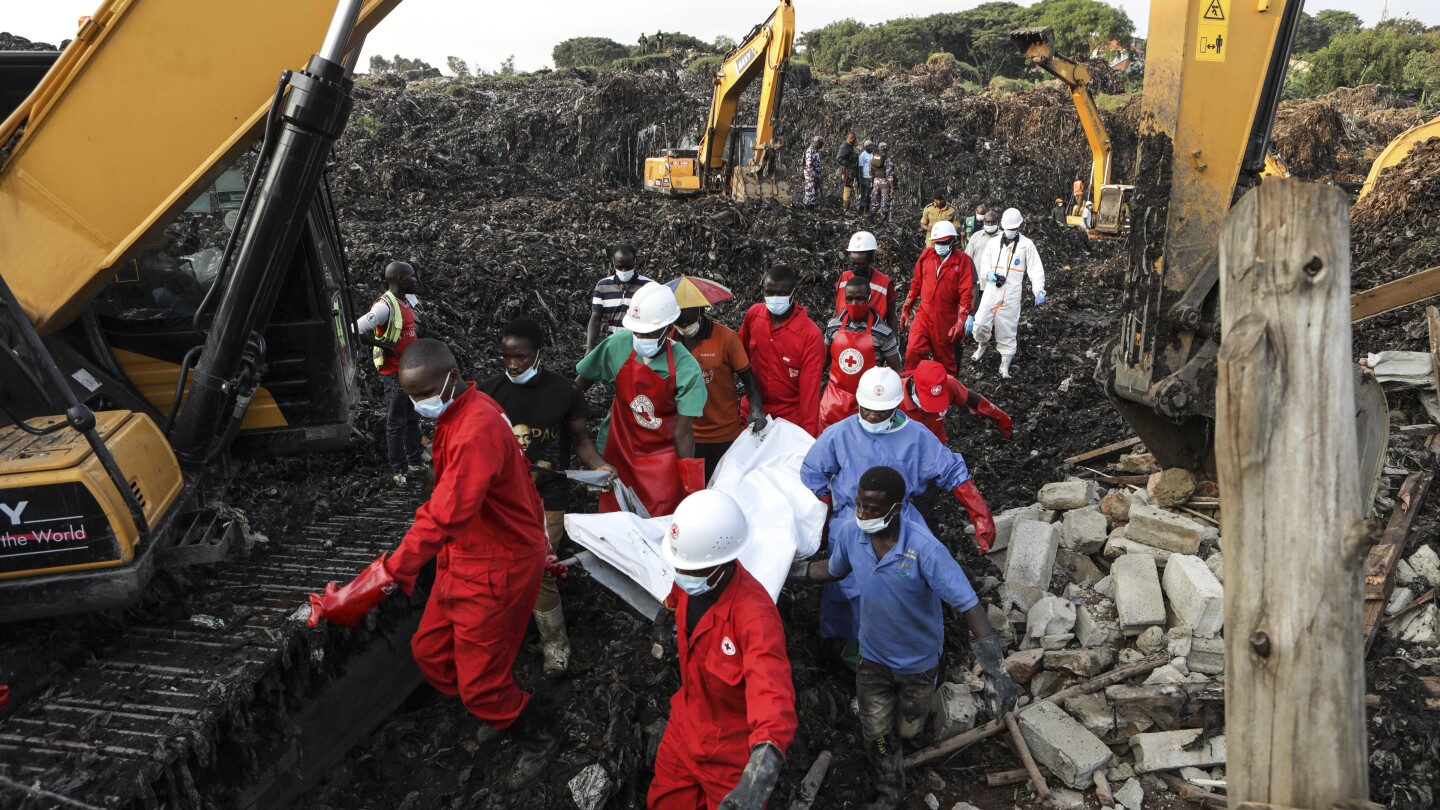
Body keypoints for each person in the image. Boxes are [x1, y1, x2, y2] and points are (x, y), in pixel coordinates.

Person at [307, 339, 557, 790]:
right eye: (411, 396)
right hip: (465, 555)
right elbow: (517, 483)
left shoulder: (476, 429)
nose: (418, 404)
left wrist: (380, 578)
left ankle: (535, 736)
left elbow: (443, 515)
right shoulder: (461, 411)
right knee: (430, 652)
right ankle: (494, 702)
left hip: (495, 564)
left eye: (423, 394)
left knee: (480, 682)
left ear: (452, 378)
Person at [793, 465, 1018, 810]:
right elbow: (833, 570)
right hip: (872, 661)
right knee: (879, 736)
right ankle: (889, 787)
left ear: (896, 509)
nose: (861, 514)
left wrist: (997, 671)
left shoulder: (924, 549)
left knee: (911, 727)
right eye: (859, 505)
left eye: (871, 509)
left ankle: (907, 736)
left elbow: (970, 607)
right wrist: (790, 571)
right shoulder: (854, 536)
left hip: (918, 665)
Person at [799, 367, 996, 658]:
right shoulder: (839, 435)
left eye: (881, 412)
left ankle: (912, 640)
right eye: (867, 410)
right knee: (848, 583)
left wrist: (980, 514)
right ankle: (853, 645)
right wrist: (828, 513)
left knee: (912, 578)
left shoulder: (916, 436)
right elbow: (814, 473)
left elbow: (950, 471)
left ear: (895, 406)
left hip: (901, 517)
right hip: (851, 518)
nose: (872, 418)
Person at [478, 319, 618, 680]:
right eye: (506, 357)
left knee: (540, 565)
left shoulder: (564, 392)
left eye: (520, 357)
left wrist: (599, 465)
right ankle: (503, 636)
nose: (512, 365)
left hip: (547, 496)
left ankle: (556, 644)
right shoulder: (488, 394)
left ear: (539, 354)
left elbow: (580, 440)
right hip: (503, 499)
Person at [649, 491, 796, 810]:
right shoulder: (694, 574)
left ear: (722, 564)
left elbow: (773, 698)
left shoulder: (755, 619)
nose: (681, 575)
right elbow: (678, 593)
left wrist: (756, 782)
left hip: (731, 755)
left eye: (688, 570)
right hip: (684, 729)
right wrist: (668, 612)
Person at [576, 283, 706, 517]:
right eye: (637, 332)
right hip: (619, 447)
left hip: (661, 459)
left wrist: (690, 484)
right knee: (615, 518)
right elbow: (579, 385)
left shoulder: (686, 368)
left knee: (659, 520)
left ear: (667, 328)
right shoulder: (617, 345)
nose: (641, 338)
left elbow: (683, 433)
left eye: (650, 333)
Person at [672, 302, 767, 478]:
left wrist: (756, 408)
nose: (684, 328)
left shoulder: (726, 337)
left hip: (725, 434)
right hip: (686, 435)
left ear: (700, 310)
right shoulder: (668, 339)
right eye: (679, 323)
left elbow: (748, 378)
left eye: (688, 322)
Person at [354, 260, 424, 486]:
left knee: (413, 419)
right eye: (412, 277)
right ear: (401, 279)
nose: (416, 280)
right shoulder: (385, 306)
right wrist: (387, 348)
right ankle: (398, 470)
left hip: (411, 372)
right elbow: (357, 329)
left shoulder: (406, 301)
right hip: (395, 375)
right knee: (396, 422)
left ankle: (415, 464)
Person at [738, 265, 825, 438]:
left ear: (793, 292)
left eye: (782, 293)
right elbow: (740, 361)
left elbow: (810, 395)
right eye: (769, 292)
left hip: (789, 423)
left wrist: (807, 439)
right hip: (753, 415)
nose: (775, 298)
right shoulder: (754, 316)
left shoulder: (810, 336)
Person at [820, 276, 903, 430]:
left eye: (860, 299)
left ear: (869, 298)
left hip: (867, 405)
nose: (854, 304)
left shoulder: (883, 332)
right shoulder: (833, 326)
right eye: (849, 299)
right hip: (832, 401)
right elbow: (822, 363)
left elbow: (897, 370)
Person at [971, 208, 1046, 379]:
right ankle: (982, 345)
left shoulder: (1027, 245)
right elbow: (984, 264)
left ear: (1019, 226)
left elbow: (1036, 269)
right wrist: (988, 274)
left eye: (1014, 228)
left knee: (1007, 330)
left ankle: (1004, 367)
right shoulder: (993, 242)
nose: (1011, 231)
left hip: (1011, 294)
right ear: (1002, 226)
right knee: (981, 323)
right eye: (1008, 228)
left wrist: (1038, 289)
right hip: (991, 291)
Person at [899, 221, 974, 376]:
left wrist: (961, 320)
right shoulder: (926, 256)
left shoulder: (962, 261)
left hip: (946, 319)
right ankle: (912, 389)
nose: (940, 245)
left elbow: (966, 293)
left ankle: (947, 395)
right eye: (937, 242)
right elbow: (916, 283)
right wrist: (906, 308)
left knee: (945, 362)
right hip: (923, 314)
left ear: (952, 241)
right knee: (913, 350)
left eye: (944, 242)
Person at [899, 359, 1013, 444]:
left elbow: (972, 398)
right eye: (927, 399)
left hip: (936, 447)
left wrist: (1002, 418)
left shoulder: (950, 385)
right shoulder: (893, 397)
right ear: (914, 383)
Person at [587, 243, 653, 353]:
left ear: (635, 262)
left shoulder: (649, 287)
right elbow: (596, 318)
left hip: (640, 348)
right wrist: (589, 348)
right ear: (613, 263)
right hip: (614, 346)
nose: (624, 271)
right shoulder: (603, 286)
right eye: (619, 266)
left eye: (628, 267)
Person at [834, 230, 896, 331]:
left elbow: (891, 317)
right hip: (845, 335)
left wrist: (894, 343)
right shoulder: (844, 278)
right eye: (853, 263)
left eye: (860, 264)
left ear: (870, 260)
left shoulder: (884, 284)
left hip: (874, 337)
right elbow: (837, 310)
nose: (855, 268)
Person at [868, 143, 897, 219]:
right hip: (884, 182)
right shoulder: (887, 160)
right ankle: (883, 220)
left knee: (875, 200)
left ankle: (872, 217)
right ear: (886, 149)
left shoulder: (873, 158)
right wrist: (892, 187)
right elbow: (889, 176)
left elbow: (870, 172)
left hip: (875, 181)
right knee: (885, 201)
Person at [837, 133, 858, 213]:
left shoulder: (849, 147)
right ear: (851, 139)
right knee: (847, 189)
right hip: (847, 172)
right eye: (854, 140)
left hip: (850, 172)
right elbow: (839, 158)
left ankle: (846, 208)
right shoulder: (845, 146)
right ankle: (845, 209)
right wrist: (849, 165)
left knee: (848, 189)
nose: (855, 141)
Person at [803, 135, 824, 209]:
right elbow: (809, 165)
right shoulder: (810, 150)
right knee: (809, 194)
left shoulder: (816, 151)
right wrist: (814, 175)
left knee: (814, 194)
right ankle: (808, 210)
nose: (821, 146)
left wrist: (819, 175)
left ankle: (811, 209)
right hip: (810, 177)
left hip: (815, 177)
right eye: (820, 144)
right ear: (816, 142)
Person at [858, 140, 875, 212]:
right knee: (864, 196)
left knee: (869, 196)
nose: (871, 147)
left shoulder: (872, 155)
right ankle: (861, 211)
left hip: (871, 178)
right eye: (869, 146)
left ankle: (867, 212)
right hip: (865, 178)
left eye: (871, 146)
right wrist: (862, 180)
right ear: (865, 147)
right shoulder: (863, 155)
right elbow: (860, 167)